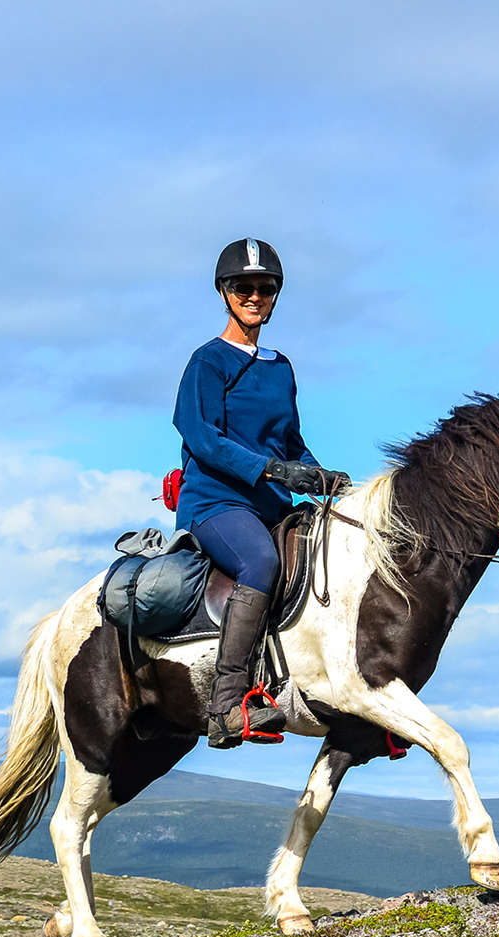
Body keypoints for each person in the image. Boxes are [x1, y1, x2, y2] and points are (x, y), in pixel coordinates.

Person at [174, 237, 349, 749]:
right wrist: (272, 471)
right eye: (244, 288)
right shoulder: (208, 362)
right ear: (225, 293)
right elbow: (202, 438)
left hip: (271, 503)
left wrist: (320, 477)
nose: (255, 296)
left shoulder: (280, 366)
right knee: (261, 563)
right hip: (216, 502)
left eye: (265, 288)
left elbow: (290, 441)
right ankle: (227, 705)